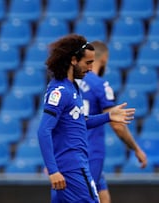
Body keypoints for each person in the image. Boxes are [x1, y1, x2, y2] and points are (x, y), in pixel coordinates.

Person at [36, 34, 136, 203]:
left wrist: (109, 116)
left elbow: (79, 121)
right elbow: (43, 130)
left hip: (73, 164)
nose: (91, 69)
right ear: (74, 60)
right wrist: (53, 171)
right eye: (88, 63)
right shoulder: (61, 91)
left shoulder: (72, 86)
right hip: (72, 167)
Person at [78, 40, 147, 203]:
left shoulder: (70, 84)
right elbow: (116, 124)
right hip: (90, 152)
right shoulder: (99, 85)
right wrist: (136, 149)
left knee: (102, 194)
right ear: (104, 59)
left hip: (71, 151)